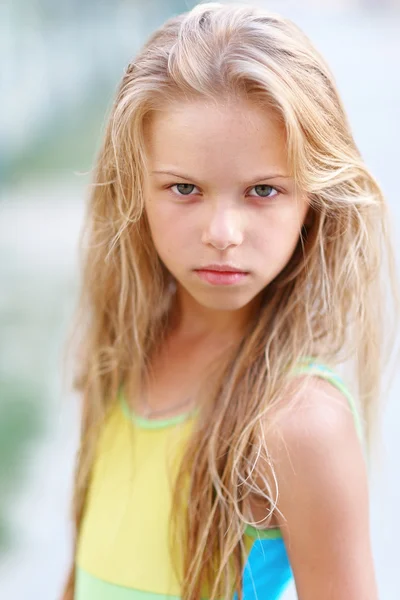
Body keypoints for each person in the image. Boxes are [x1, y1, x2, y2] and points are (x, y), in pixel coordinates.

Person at [61, 3, 397, 599]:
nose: (222, 232)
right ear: (134, 188)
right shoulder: (119, 355)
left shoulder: (298, 422)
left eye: (263, 190)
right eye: (184, 188)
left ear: (313, 203)